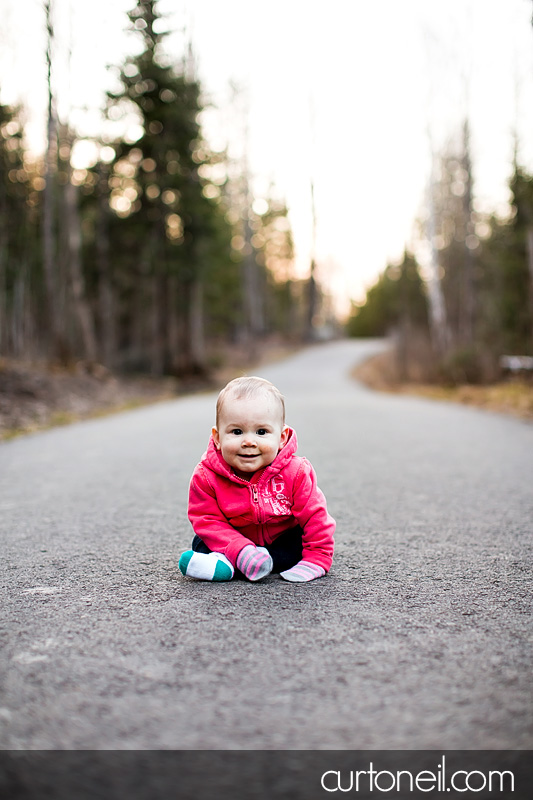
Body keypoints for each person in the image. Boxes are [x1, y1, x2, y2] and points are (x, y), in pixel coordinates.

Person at [179, 376, 335, 583]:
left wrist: (318, 557)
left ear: (281, 437)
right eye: (237, 431)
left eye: (261, 432)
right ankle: (234, 562)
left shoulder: (296, 472)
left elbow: (315, 517)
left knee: (297, 542)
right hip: (231, 540)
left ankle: (238, 565)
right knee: (202, 541)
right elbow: (207, 520)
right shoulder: (206, 476)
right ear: (217, 438)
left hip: (280, 541)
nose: (249, 441)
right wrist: (241, 548)